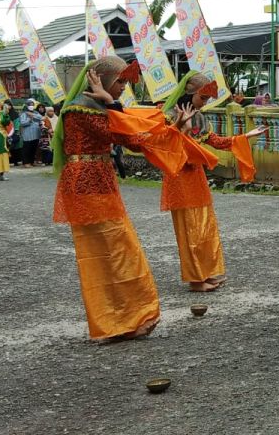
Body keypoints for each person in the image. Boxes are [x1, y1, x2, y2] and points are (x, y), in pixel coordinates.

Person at [53, 56, 164, 341]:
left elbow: (134, 141)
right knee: (111, 252)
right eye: (120, 82)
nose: (123, 88)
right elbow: (125, 133)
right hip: (87, 183)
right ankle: (118, 321)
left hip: (100, 180)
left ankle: (121, 322)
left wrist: (114, 104)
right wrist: (113, 105)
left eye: (125, 82)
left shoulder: (100, 108)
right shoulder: (80, 109)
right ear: (100, 80)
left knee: (112, 251)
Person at [160, 71, 265, 292]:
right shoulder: (169, 115)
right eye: (203, 98)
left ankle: (205, 272)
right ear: (190, 93)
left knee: (204, 226)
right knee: (189, 228)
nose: (204, 103)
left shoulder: (200, 116)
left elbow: (214, 141)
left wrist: (246, 136)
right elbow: (165, 147)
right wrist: (182, 128)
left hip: (196, 175)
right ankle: (196, 279)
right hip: (179, 176)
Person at [19, 100, 44, 167]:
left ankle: (32, 161)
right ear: (26, 106)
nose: (31, 106)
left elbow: (41, 118)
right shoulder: (23, 113)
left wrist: (32, 115)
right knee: (27, 149)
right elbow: (22, 123)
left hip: (36, 134)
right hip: (27, 134)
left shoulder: (35, 112)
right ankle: (26, 162)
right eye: (30, 105)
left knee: (34, 148)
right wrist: (29, 119)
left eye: (32, 105)